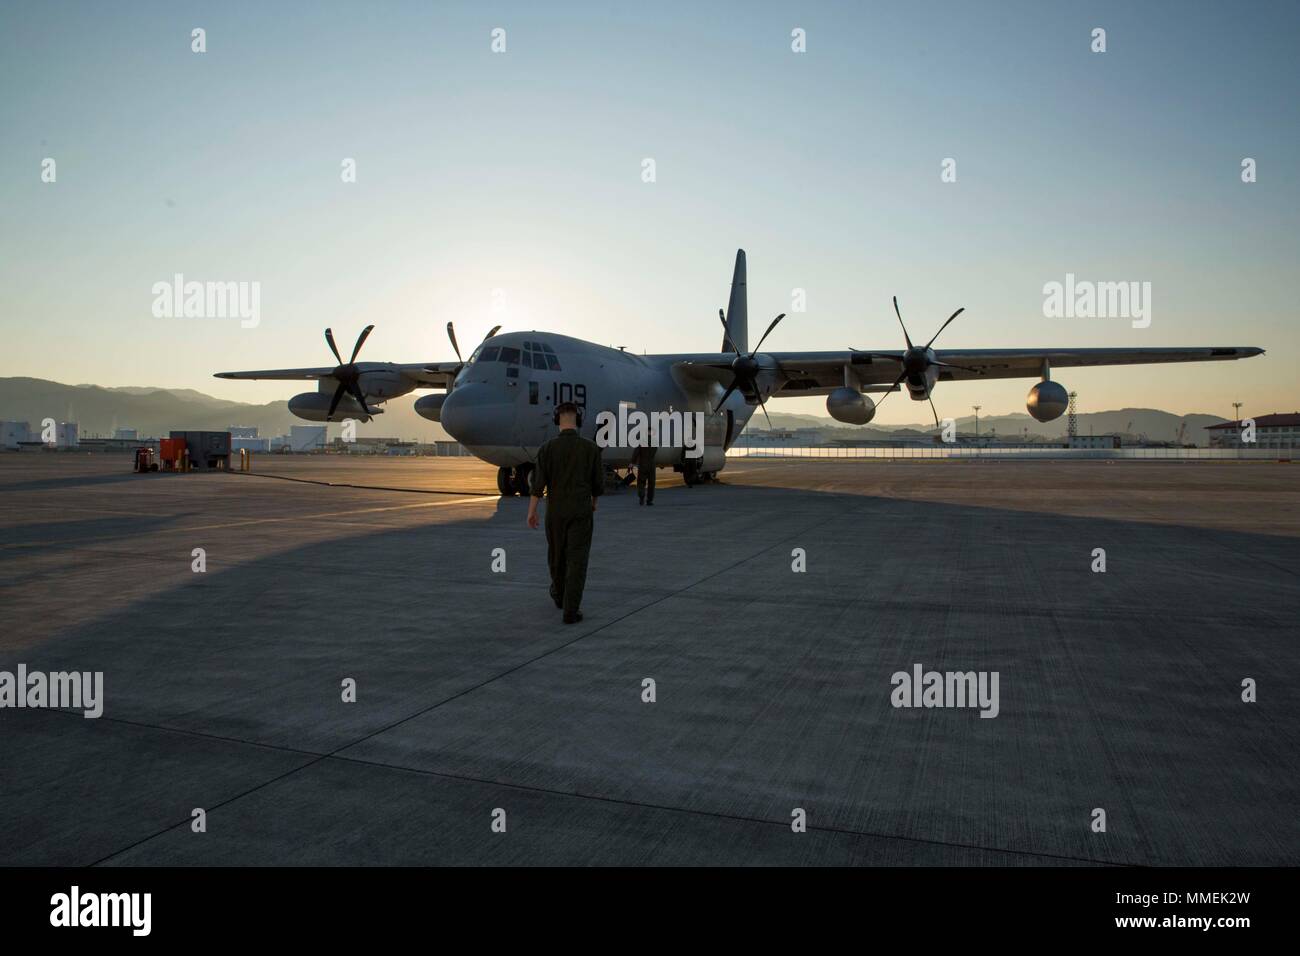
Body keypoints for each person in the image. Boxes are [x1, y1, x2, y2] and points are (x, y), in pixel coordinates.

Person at [527, 401, 603, 623]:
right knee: (577, 560)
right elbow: (597, 485)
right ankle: (571, 610)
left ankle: (559, 595)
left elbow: (537, 486)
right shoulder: (590, 449)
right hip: (581, 510)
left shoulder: (547, 449)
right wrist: (594, 502)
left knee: (557, 556)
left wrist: (532, 512)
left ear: (556, 420)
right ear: (577, 420)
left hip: (556, 512)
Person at [632, 440, 657, 505]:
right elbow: (654, 451)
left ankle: (641, 498)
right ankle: (649, 500)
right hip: (651, 465)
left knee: (641, 482)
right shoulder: (654, 441)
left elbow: (636, 452)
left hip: (643, 464)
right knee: (651, 483)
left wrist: (632, 462)